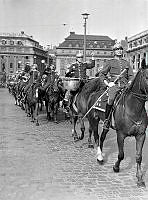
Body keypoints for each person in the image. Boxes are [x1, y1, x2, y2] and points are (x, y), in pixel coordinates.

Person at [98, 41, 134, 130]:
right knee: (111, 99)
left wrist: (130, 82)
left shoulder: (126, 63)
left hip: (125, 86)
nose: (119, 51)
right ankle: (106, 120)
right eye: (117, 49)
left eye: (121, 49)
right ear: (114, 51)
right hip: (114, 85)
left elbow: (131, 75)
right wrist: (108, 83)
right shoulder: (110, 62)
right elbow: (102, 74)